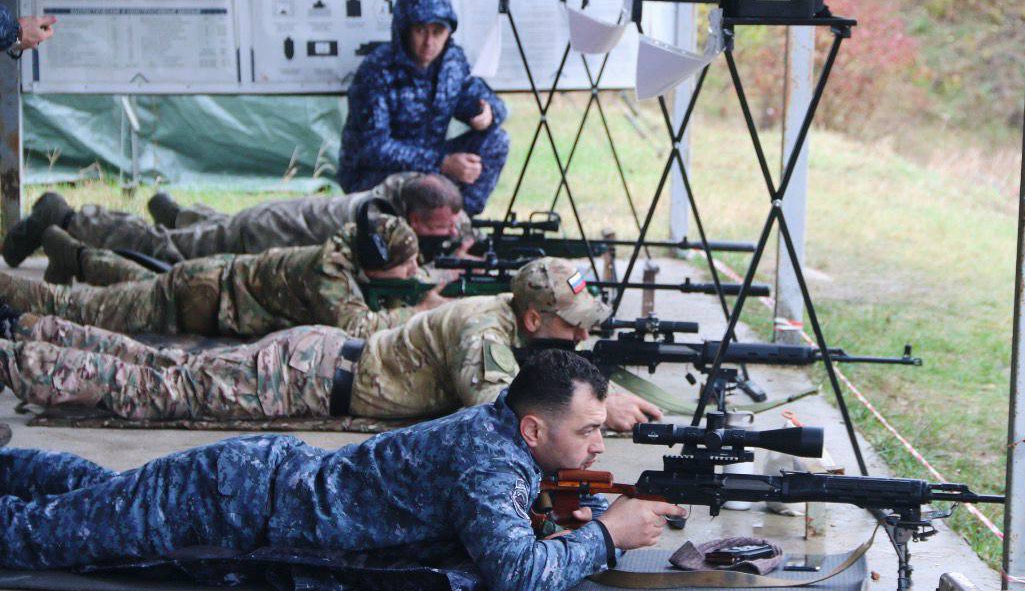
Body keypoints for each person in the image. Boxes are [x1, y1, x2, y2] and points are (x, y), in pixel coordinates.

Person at [0, 350, 687, 591]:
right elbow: (514, 579)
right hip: (230, 508)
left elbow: (509, 514)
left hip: (250, 487)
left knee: (88, 495)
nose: (600, 444)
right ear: (534, 430)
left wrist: (578, 512)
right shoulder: (489, 462)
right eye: (589, 431)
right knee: (40, 537)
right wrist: (607, 535)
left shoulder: (503, 432)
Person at [0, 257, 661, 430]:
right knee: (157, 389)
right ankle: (20, 359)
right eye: (573, 323)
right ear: (533, 321)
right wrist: (595, 409)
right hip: (307, 378)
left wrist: (602, 388)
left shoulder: (506, 313)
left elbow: (545, 368)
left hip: (317, 359)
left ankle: (45, 333)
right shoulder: (486, 332)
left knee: (169, 368)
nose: (584, 333)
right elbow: (497, 413)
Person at [0, 203, 428, 339]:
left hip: (207, 282)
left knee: (136, 283)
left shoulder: (351, 255)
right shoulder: (329, 273)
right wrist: (423, 308)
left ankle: (72, 255)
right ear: (375, 262)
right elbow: (358, 329)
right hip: (195, 298)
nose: (416, 269)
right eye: (406, 263)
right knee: (77, 307)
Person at [2, 173, 470, 268]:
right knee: (170, 249)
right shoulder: (380, 224)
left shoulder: (403, 189)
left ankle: (182, 212)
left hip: (275, 219)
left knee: (199, 231)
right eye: (440, 228)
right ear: (410, 217)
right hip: (262, 233)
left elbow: (445, 214)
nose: (449, 233)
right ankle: (68, 215)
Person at [338, 0, 509, 216]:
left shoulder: (452, 62)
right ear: (404, 29)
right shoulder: (377, 70)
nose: (429, 42)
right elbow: (374, 148)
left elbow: (484, 99)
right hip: (375, 175)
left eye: (437, 32)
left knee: (497, 140)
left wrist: (487, 113)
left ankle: (457, 221)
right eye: (421, 31)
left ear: (448, 33)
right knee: (419, 185)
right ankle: (424, 221)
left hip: (432, 163)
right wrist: (442, 163)